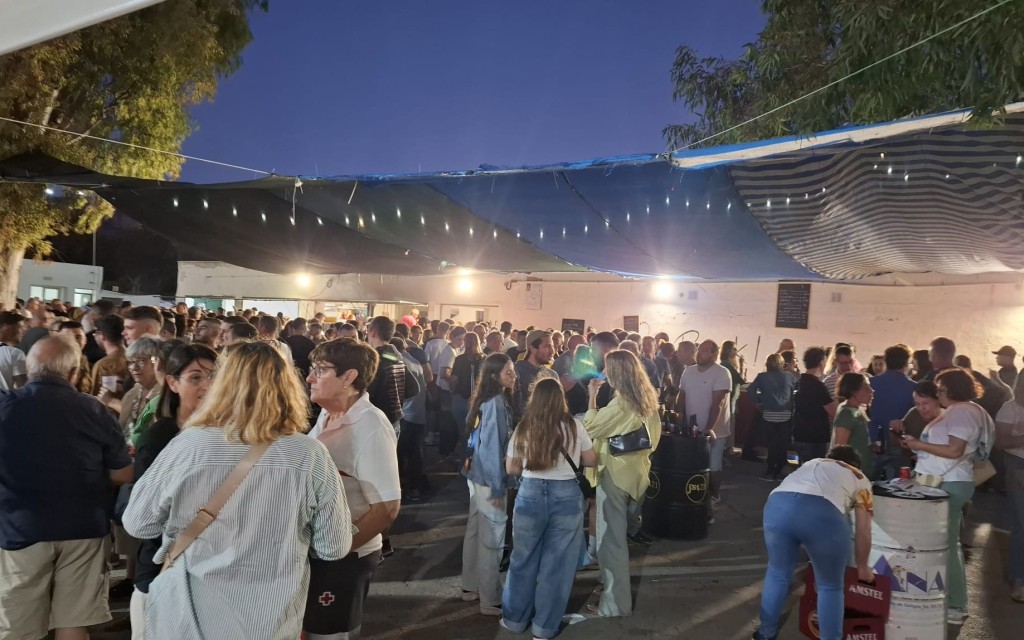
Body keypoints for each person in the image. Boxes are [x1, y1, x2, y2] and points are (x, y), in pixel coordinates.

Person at [123, 341, 353, 639]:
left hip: (189, 613)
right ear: (287, 388)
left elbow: (138, 523)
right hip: (269, 620)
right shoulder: (309, 454)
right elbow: (334, 546)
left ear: (222, 385)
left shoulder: (189, 445)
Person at [0, 336, 133, 640]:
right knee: (73, 621)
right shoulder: (94, 410)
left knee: (18, 625)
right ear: (74, 373)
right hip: (84, 527)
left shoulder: (5, 406)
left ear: (29, 371)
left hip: (19, 529)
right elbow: (124, 472)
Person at [305, 338, 402, 639]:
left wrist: (339, 547)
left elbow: (387, 507)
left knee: (330, 633)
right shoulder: (326, 414)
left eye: (320, 370)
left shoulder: (370, 426)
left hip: (346, 558)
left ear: (349, 378)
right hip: (319, 550)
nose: (310, 377)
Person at [128, 343, 218, 638]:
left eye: (213, 376)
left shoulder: (227, 436)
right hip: (162, 564)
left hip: (212, 568)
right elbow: (143, 513)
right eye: (195, 378)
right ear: (172, 382)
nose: (207, 385)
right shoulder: (159, 438)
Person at [501, 378, 597, 639]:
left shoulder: (524, 427)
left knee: (522, 560)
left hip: (530, 493)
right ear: (560, 399)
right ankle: (544, 628)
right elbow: (591, 459)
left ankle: (514, 620)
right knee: (557, 565)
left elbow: (511, 468)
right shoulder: (574, 426)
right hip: (566, 496)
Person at [900, 368, 992, 624]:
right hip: (945, 482)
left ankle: (956, 604)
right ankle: (944, 597)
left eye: (941, 388)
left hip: (948, 484)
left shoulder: (963, 412)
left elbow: (954, 450)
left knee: (948, 546)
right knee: (943, 544)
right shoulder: (965, 411)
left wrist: (919, 445)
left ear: (953, 389)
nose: (938, 392)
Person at [752, 445, 874, 640]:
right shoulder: (859, 477)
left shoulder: (813, 462)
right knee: (829, 586)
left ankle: (765, 634)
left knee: (777, 573)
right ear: (855, 464)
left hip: (777, 505)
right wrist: (862, 567)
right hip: (824, 515)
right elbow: (863, 530)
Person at [583, 350, 661, 617]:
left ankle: (615, 604)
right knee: (615, 536)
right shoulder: (646, 399)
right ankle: (609, 588)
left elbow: (590, 427)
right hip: (635, 473)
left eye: (607, 369)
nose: (603, 373)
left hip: (614, 475)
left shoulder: (622, 404)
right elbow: (655, 440)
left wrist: (592, 396)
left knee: (612, 540)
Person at [461, 353, 517, 616]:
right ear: (494, 376)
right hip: (489, 478)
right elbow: (493, 446)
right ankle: (490, 598)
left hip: (476, 475)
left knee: (475, 531)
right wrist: (497, 487)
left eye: (513, 370)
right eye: (508, 371)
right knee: (492, 538)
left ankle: (470, 587)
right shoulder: (495, 402)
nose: (513, 375)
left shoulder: (485, 399)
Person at [676, 340, 732, 514]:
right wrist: (679, 418)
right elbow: (682, 396)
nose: (700, 354)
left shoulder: (722, 373)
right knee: (693, 465)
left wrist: (709, 428)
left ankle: (714, 496)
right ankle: (696, 497)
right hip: (691, 428)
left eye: (706, 351)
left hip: (716, 430)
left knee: (713, 466)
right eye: (699, 350)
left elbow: (718, 403)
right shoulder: (688, 371)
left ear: (715, 354)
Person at [867, 345, 917, 480]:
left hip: (873, 439)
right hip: (900, 440)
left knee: (867, 483)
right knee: (898, 486)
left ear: (886, 362)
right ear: (906, 363)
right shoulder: (913, 387)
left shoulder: (870, 383)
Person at [995, 378, 1024, 603]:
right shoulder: (1010, 408)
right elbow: (1001, 442)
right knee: (1021, 524)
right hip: (1018, 465)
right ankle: (1018, 579)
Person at [748, 354, 797, 482]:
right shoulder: (789, 376)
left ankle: (770, 470)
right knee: (782, 444)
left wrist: (757, 404)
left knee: (772, 444)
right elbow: (796, 390)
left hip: (768, 414)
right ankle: (780, 470)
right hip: (786, 414)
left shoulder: (762, 377)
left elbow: (750, 390)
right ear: (782, 363)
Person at [792, 347, 838, 465]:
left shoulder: (799, 382)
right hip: (815, 437)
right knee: (814, 472)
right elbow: (833, 411)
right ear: (822, 363)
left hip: (799, 433)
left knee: (803, 470)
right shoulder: (818, 386)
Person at [889, 381, 943, 469]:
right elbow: (897, 442)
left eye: (925, 403)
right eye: (917, 404)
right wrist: (895, 429)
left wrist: (920, 447)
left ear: (938, 401)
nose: (921, 408)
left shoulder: (948, 418)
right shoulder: (914, 413)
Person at [832, 372, 874, 475]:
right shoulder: (846, 414)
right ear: (853, 391)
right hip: (852, 476)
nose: (871, 391)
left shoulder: (857, 410)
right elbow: (839, 452)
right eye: (865, 388)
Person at [452, 331, 486, 443]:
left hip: (461, 398)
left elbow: (454, 379)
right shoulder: (484, 359)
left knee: (463, 432)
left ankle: (463, 455)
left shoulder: (460, 359)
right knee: (476, 431)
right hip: (477, 399)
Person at [90, 314, 129, 396]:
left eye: (95, 334)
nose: (94, 337)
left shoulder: (104, 365)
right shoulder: (135, 357)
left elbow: (97, 398)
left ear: (103, 336)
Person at [0, 311, 28, 390]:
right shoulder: (15, 354)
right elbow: (22, 389)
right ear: (6, 328)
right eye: (21, 327)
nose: (24, 330)